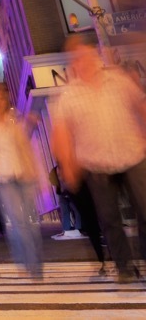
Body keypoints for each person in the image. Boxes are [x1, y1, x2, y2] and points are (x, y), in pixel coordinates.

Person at [52, 31, 146, 283]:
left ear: (94, 54)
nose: (82, 61)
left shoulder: (118, 80)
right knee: (110, 219)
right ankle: (125, 267)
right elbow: (61, 134)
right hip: (96, 165)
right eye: (76, 58)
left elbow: (141, 106)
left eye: (85, 55)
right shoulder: (68, 95)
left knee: (145, 209)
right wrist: (68, 167)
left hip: (133, 154)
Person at [0, 84, 43, 278]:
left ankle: (34, 262)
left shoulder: (15, 118)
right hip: (5, 178)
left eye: (1, 99)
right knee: (18, 222)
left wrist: (30, 123)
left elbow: (25, 142)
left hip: (24, 174)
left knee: (31, 222)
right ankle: (28, 264)